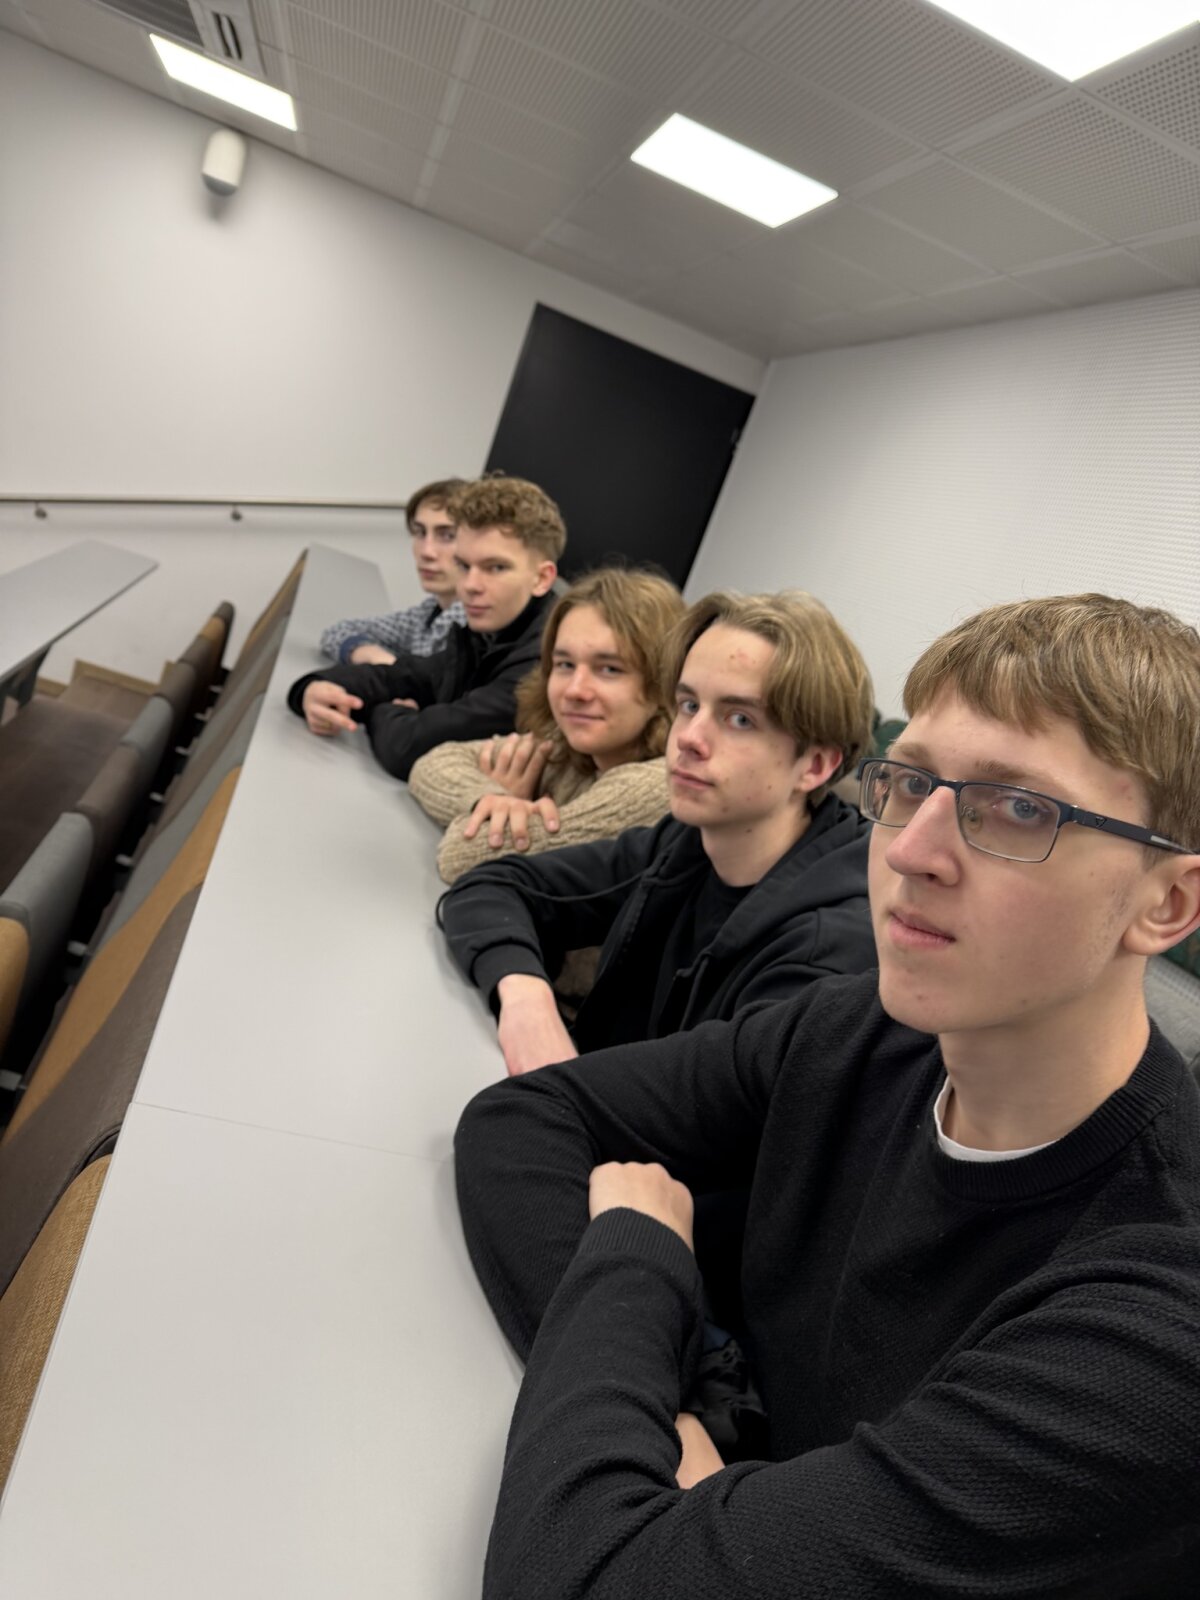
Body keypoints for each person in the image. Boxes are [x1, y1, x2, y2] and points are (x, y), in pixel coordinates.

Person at [454, 592, 1200, 1599]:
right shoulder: (871, 1028)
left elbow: (582, 1579)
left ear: (1168, 902)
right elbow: (522, 1118)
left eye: (1017, 808)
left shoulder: (1156, 1328)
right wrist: (680, 1413)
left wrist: (633, 1257)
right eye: (911, 783)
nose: (910, 851)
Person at [439, 590, 876, 1076]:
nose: (688, 737)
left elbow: (700, 1112)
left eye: (739, 719)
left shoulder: (821, 958)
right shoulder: (686, 844)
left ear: (815, 765)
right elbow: (490, 887)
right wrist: (525, 994)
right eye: (689, 704)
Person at [408, 568, 683, 883]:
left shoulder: (659, 785)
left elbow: (461, 856)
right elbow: (434, 762)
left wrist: (499, 819)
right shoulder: (565, 745)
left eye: (609, 669)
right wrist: (492, 798)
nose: (575, 690)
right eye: (564, 664)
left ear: (664, 683)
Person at [286, 476, 564, 781]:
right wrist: (313, 688)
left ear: (542, 579)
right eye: (464, 566)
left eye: (495, 568)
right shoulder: (490, 633)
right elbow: (405, 676)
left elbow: (408, 748)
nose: (470, 585)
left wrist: (385, 711)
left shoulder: (548, 664)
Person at [319, 477, 467, 663]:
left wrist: (395, 672)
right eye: (420, 532)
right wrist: (372, 655)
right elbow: (338, 632)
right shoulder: (427, 614)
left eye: (447, 536)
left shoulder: (473, 630)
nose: (426, 551)